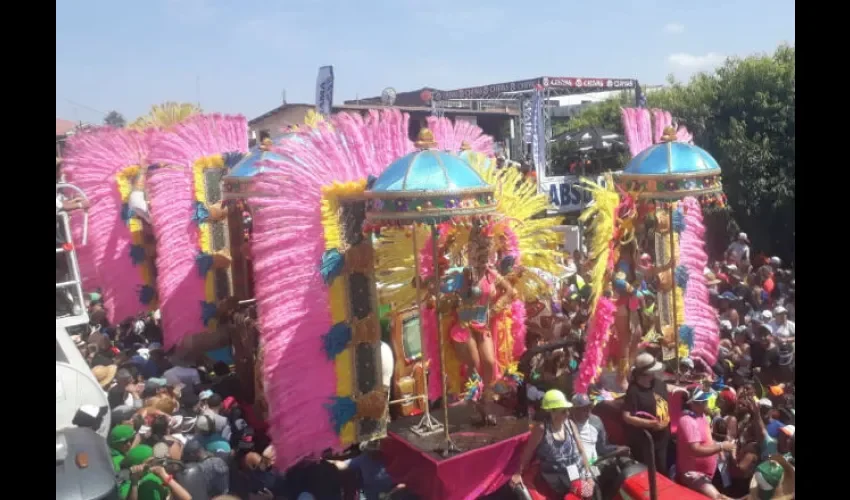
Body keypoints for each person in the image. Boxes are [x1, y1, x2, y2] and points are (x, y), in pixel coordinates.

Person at [511, 389, 595, 499]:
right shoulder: (542, 429)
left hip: (578, 474)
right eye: (563, 411)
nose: (568, 414)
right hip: (558, 478)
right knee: (583, 493)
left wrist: (589, 475)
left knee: (590, 490)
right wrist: (518, 473)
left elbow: (581, 450)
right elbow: (528, 452)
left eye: (567, 410)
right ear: (552, 412)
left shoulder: (569, 424)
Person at [676, 387, 736, 499]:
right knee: (717, 498)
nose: (706, 403)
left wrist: (717, 447)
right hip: (692, 474)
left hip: (705, 474)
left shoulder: (702, 416)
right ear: (692, 404)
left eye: (705, 401)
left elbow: (706, 440)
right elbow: (695, 450)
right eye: (702, 402)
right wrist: (721, 447)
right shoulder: (687, 421)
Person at [621, 353, 670, 477]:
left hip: (663, 438)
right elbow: (627, 416)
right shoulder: (633, 391)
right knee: (650, 475)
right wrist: (650, 423)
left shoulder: (659, 383)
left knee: (663, 471)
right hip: (646, 442)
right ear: (644, 373)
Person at [569, 393, 627, 468]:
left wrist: (617, 448)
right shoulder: (566, 425)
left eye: (589, 408)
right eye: (584, 409)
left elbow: (602, 447)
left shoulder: (596, 421)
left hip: (596, 465)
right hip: (577, 468)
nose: (588, 412)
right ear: (574, 410)